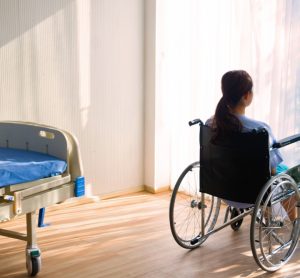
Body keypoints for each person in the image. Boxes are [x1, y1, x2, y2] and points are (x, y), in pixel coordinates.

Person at [206, 70, 295, 219]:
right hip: (253, 194)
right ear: (247, 96)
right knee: (288, 177)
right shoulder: (260, 130)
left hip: (222, 189)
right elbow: (272, 171)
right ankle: (295, 227)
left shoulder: (210, 123)